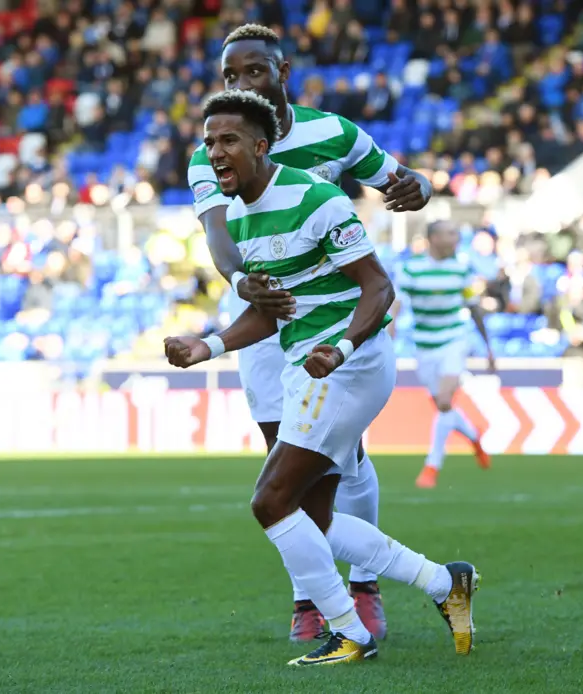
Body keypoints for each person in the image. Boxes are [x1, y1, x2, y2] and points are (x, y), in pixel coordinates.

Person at [167, 91, 479, 666]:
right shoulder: (239, 217)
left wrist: (339, 348)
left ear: (261, 147)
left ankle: (349, 631)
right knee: (314, 518)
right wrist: (206, 345)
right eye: (209, 142)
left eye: (228, 140)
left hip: (350, 364)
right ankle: (445, 584)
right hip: (307, 363)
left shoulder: (317, 198)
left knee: (270, 500)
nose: (214, 153)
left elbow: (379, 288)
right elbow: (272, 311)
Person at [187, 23, 432, 641]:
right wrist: (244, 285)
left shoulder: (335, 133)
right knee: (287, 464)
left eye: (254, 72)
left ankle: (363, 592)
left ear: (283, 69)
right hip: (263, 317)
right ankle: (311, 598)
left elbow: (400, 178)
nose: (244, 85)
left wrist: (417, 187)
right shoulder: (212, 150)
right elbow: (220, 240)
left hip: (332, 319)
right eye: (231, 77)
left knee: (342, 460)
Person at [389, 221, 494, 488]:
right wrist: (388, 338)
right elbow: (395, 306)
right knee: (443, 408)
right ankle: (473, 436)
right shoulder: (410, 269)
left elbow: (474, 308)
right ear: (433, 238)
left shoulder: (462, 268)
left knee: (445, 401)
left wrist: (489, 347)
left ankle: (431, 467)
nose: (457, 237)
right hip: (424, 345)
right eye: (452, 233)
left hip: (455, 340)